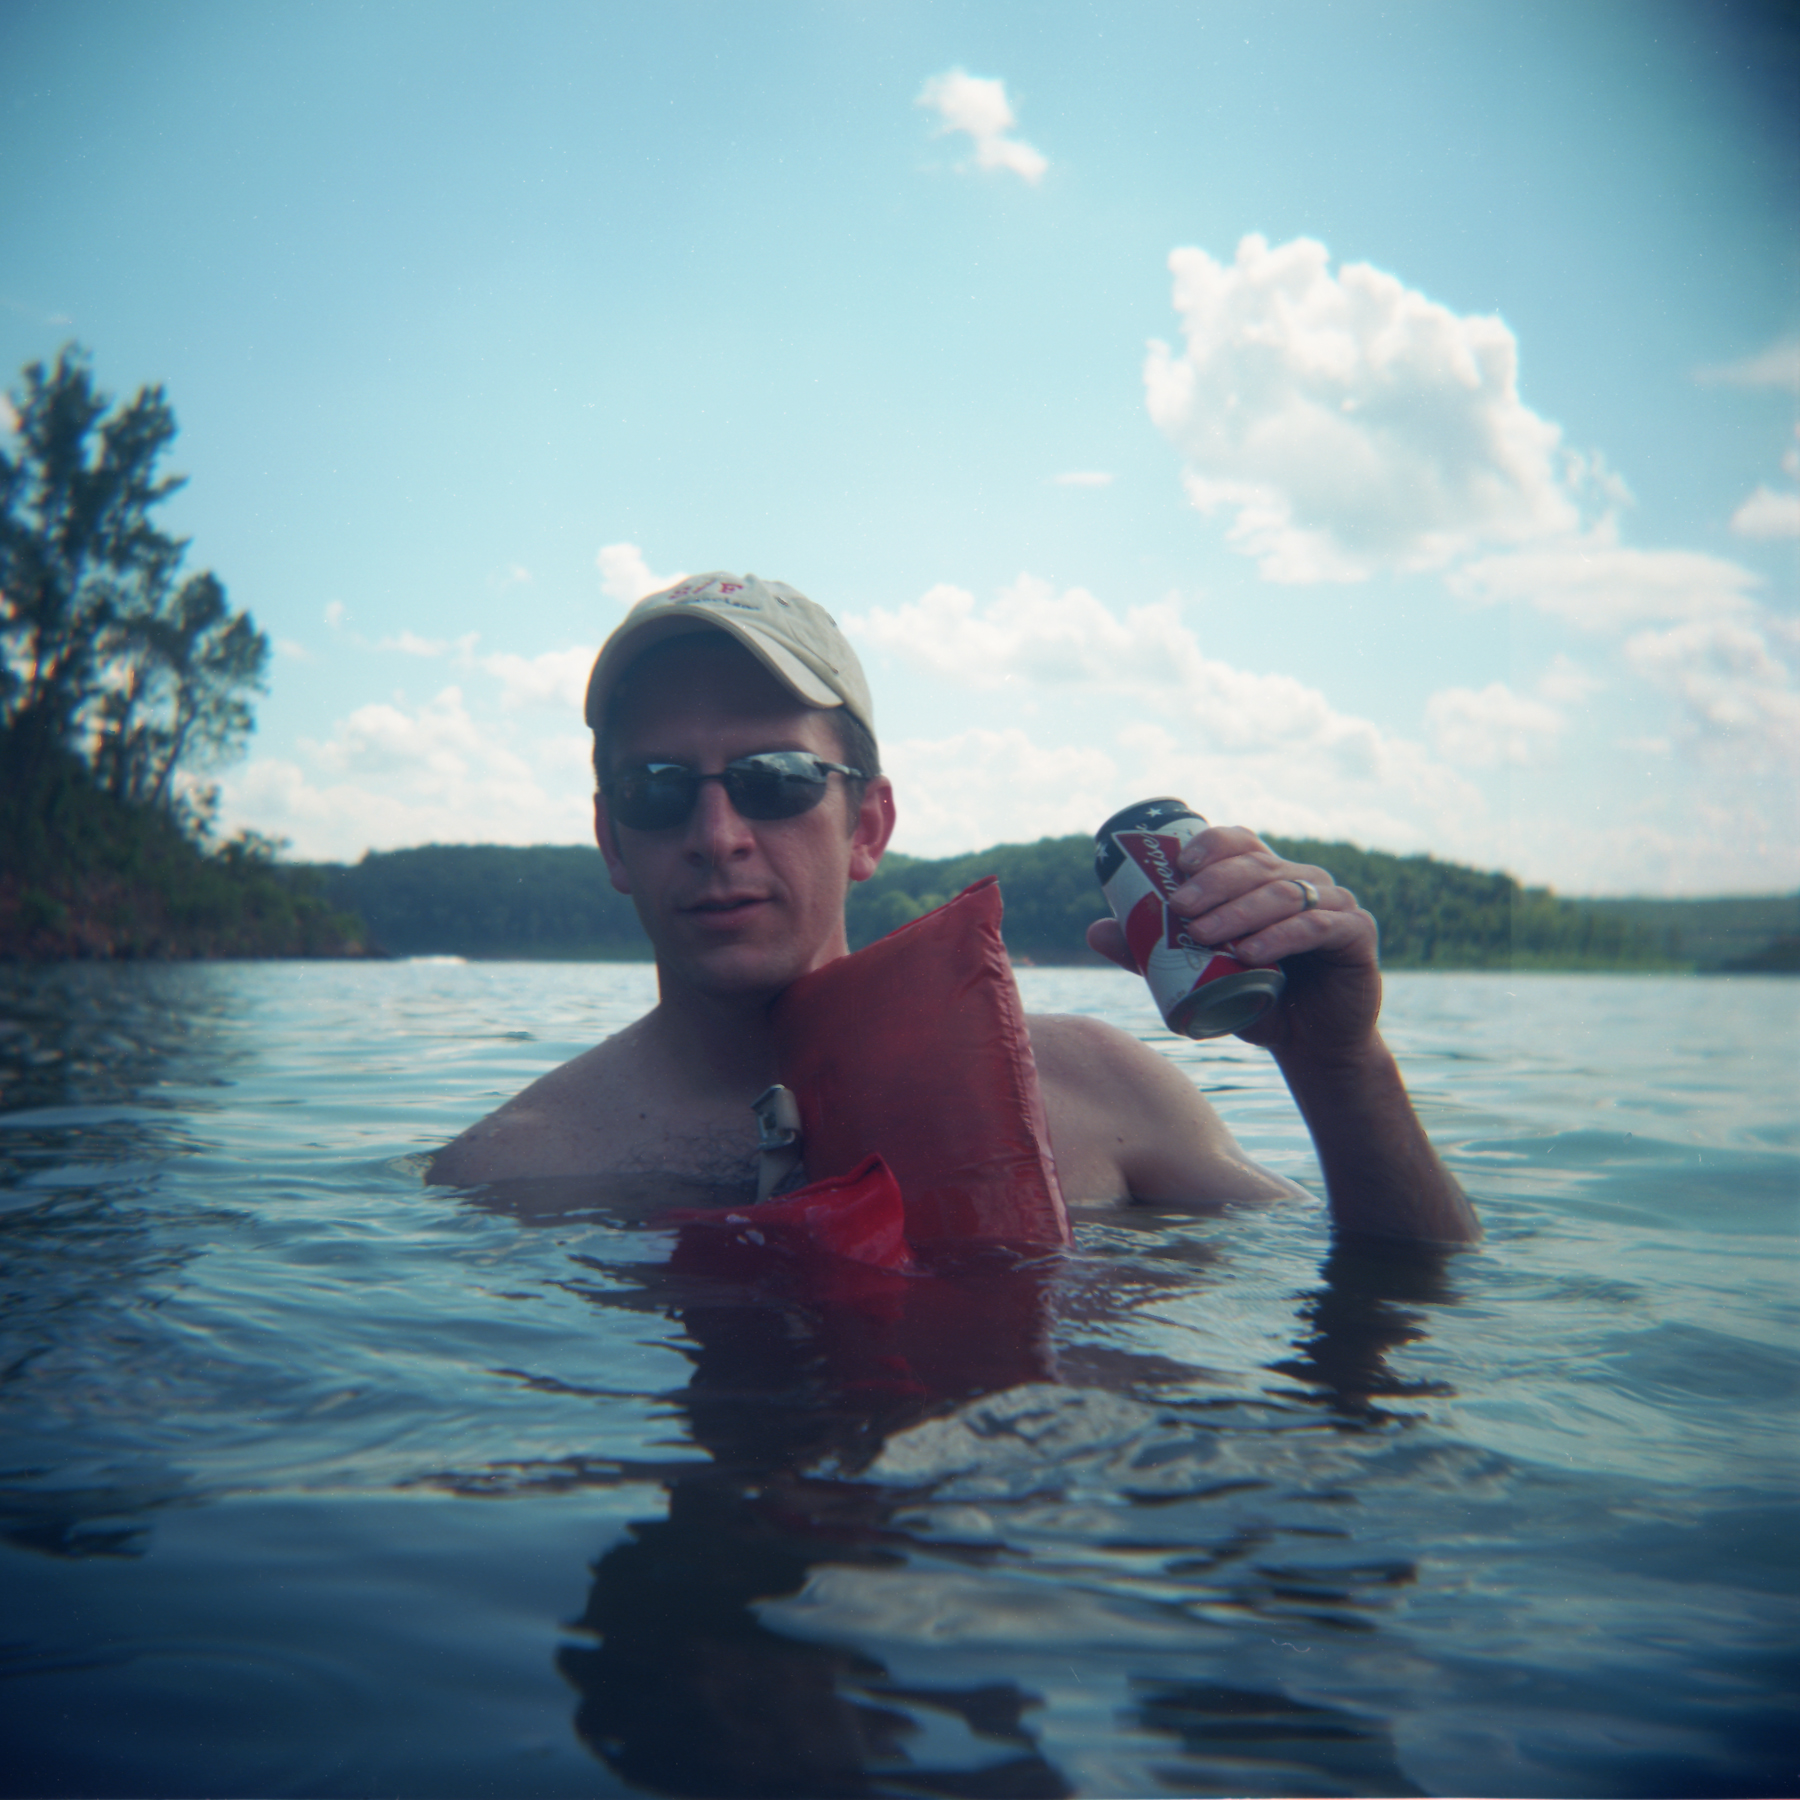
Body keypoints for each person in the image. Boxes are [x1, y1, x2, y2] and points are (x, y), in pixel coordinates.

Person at [431, 572, 1479, 1245]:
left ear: (870, 826)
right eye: (659, 789)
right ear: (614, 840)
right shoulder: (509, 1172)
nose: (717, 835)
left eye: (777, 779)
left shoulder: (1104, 1090)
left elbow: (1420, 1296)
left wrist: (1342, 1072)